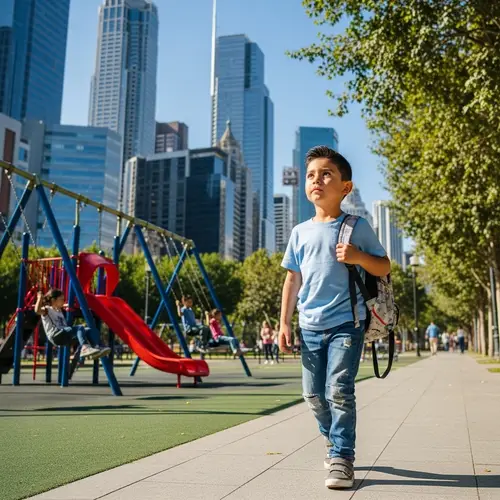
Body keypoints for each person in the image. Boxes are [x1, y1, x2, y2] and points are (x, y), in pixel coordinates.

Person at [279, 146, 390, 490]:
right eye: (312, 175)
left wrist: (358, 256)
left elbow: (384, 266)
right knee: (313, 395)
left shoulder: (356, 226)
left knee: (338, 390)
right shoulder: (299, 232)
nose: (317, 180)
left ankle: (342, 456)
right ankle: (332, 440)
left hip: (348, 323)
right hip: (309, 325)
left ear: (346, 187)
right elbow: (292, 279)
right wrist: (283, 323)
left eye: (327, 174)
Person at [34, 289, 110, 359]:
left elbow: (63, 306)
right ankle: (85, 348)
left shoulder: (59, 310)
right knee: (79, 327)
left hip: (64, 335)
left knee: (88, 330)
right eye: (61, 299)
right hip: (55, 335)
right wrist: (39, 299)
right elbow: (37, 310)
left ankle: (96, 348)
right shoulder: (47, 309)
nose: (63, 301)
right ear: (54, 300)